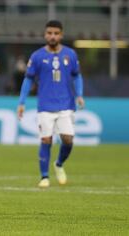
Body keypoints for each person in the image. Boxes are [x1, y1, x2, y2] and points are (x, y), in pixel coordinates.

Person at [17, 20, 85, 188]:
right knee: (46, 139)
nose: (52, 36)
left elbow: (77, 75)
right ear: (45, 34)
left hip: (66, 104)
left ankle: (59, 164)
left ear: (61, 35)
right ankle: (44, 177)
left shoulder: (70, 54)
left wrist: (80, 95)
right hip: (45, 106)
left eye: (56, 33)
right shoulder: (37, 56)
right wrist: (21, 102)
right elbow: (28, 79)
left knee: (68, 140)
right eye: (49, 33)